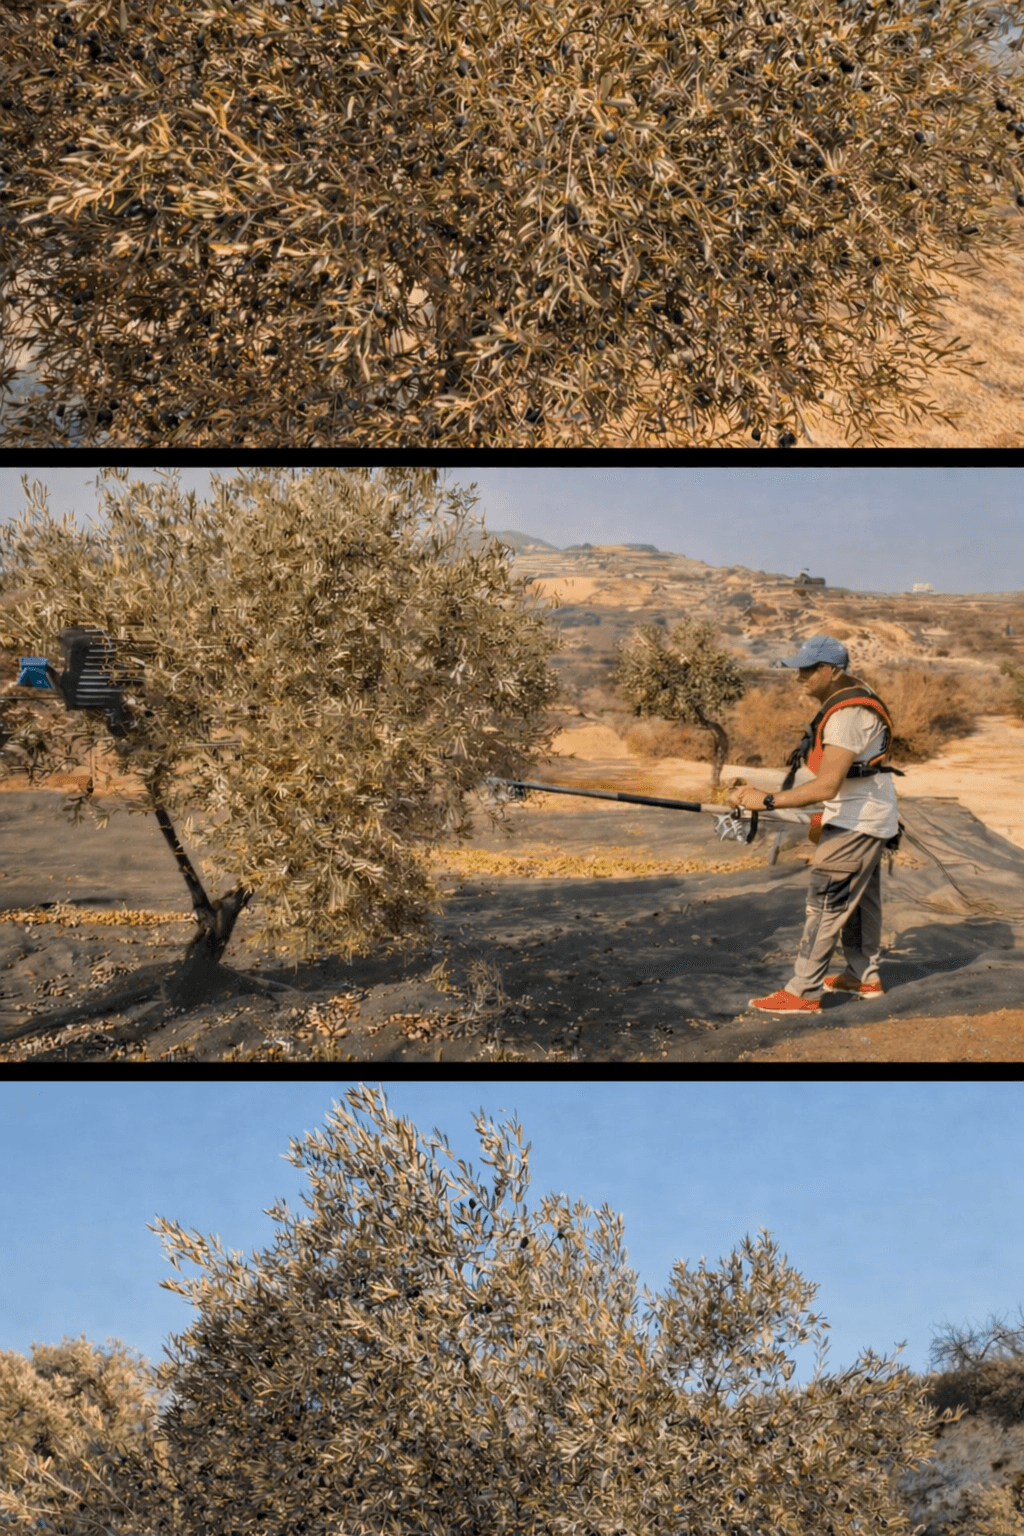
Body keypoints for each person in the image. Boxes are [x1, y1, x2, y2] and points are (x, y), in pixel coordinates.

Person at [727, 635, 903, 1015]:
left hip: (857, 822)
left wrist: (767, 800)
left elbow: (826, 784)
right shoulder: (855, 695)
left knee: (825, 904)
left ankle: (803, 991)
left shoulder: (847, 715)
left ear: (832, 670)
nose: (799, 677)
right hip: (865, 815)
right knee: (859, 904)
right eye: (798, 669)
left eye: (808, 670)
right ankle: (863, 976)